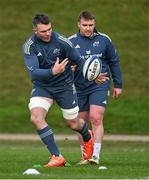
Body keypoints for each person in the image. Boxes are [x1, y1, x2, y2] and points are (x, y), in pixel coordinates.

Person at [22, 13, 94, 167]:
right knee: (36, 118)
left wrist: (93, 75)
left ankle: (88, 136)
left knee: (73, 124)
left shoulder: (62, 41)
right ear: (35, 31)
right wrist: (52, 72)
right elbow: (33, 72)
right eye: (43, 31)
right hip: (43, 87)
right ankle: (57, 156)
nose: (47, 33)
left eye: (49, 29)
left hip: (64, 86)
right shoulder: (29, 46)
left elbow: (79, 61)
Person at [69, 11, 122, 165]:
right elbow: (64, 64)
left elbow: (114, 61)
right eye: (85, 25)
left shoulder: (104, 40)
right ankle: (86, 155)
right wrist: (69, 69)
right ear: (78, 24)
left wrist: (118, 84)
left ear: (94, 23)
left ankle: (96, 156)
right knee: (81, 123)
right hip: (79, 87)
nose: (88, 28)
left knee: (96, 117)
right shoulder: (70, 42)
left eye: (91, 25)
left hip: (100, 84)